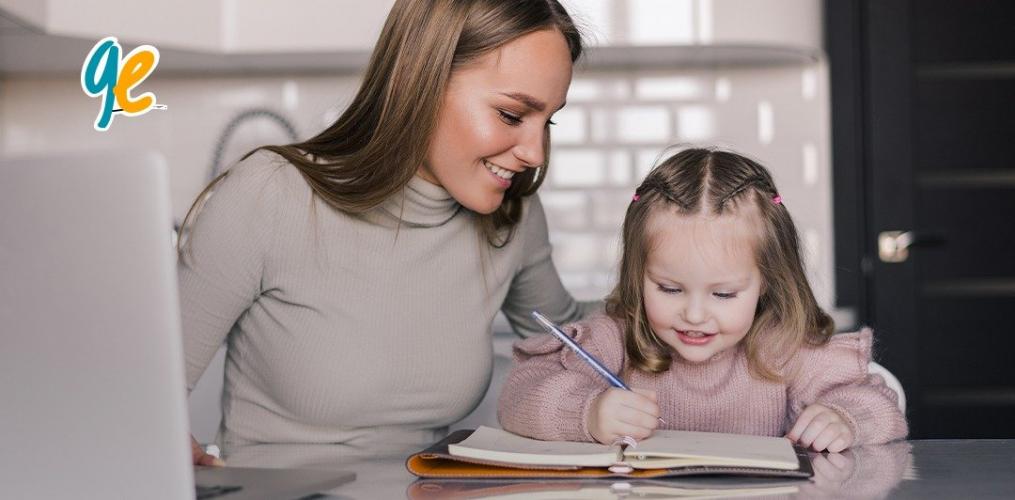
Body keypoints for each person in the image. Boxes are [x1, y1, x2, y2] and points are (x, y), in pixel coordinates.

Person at [180, 0, 599, 465]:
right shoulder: (270, 194)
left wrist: (677, 276)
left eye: (549, 120)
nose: (536, 153)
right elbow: (138, 387)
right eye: (512, 115)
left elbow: (576, 341)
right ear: (421, 83)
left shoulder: (511, 215)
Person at [498, 148, 908, 453]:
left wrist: (845, 419)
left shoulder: (782, 347)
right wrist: (587, 412)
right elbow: (520, 394)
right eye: (670, 289)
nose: (694, 315)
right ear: (638, 274)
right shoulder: (614, 339)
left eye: (724, 294)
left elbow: (879, 402)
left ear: (767, 281)